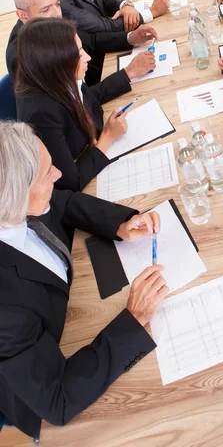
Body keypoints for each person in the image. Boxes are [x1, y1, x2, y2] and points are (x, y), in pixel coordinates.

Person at [0, 120, 168, 441]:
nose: (59, 174)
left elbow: (62, 201)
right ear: (16, 196)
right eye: (47, 173)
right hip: (46, 375)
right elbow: (58, 400)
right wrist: (133, 319)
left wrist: (122, 223)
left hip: (67, 309)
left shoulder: (13, 206)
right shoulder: (6, 311)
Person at [15, 17, 155, 191]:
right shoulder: (42, 113)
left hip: (88, 150)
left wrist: (127, 74)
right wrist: (108, 137)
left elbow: (91, 101)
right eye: (79, 54)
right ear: (59, 62)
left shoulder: (58, 76)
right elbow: (72, 182)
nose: (87, 57)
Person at [6, 0, 158, 85]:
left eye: (58, 4)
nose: (58, 14)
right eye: (45, 9)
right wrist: (127, 74)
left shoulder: (49, 23)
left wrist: (130, 38)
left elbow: (91, 41)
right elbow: (78, 101)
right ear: (22, 15)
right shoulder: (22, 60)